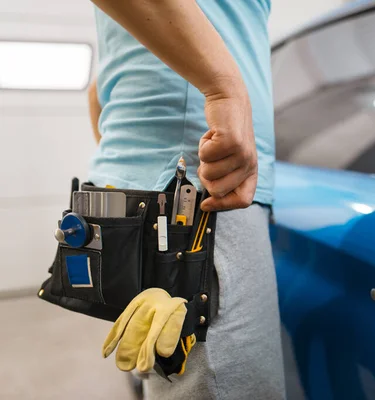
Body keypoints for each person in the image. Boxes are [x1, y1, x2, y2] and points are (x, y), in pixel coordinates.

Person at [86, 1, 285, 399]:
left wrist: (129, 166)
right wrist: (225, 89)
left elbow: (98, 90)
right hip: (200, 193)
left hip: (149, 184)